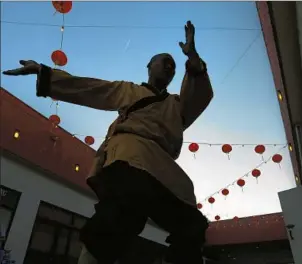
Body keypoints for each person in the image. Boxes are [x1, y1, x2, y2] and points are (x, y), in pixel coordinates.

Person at [3, 21, 213, 264]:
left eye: (173, 66)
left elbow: (199, 94)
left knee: (193, 224)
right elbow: (91, 88)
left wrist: (193, 56)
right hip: (130, 156)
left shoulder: (177, 105)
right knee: (121, 212)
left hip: (164, 166)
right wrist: (43, 71)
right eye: (164, 61)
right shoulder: (128, 90)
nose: (169, 66)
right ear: (149, 66)